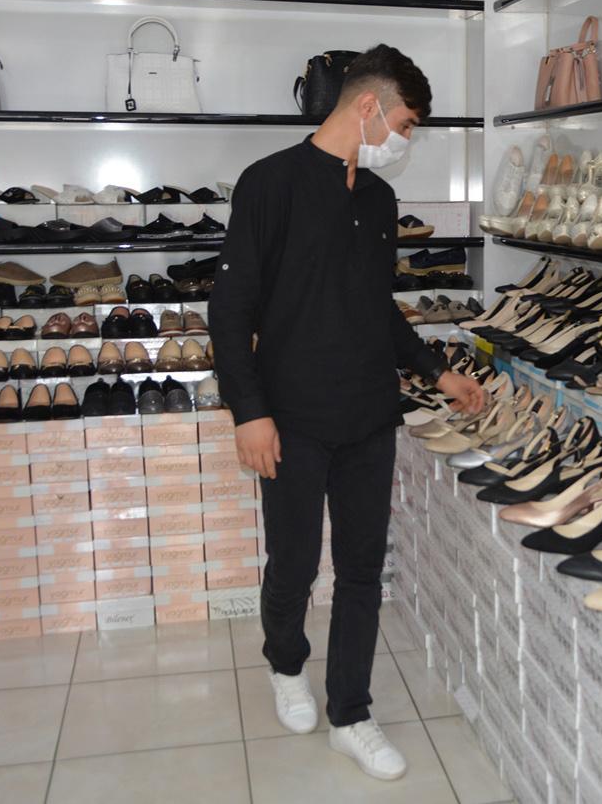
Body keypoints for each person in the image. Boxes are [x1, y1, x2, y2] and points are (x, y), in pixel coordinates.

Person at [208, 44, 486, 781]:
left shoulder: (379, 200)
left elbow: (377, 308)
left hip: (369, 413)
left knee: (363, 570)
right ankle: (285, 664)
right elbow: (229, 309)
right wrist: (248, 412)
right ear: (368, 106)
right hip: (291, 416)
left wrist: (437, 371)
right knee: (295, 564)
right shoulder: (269, 183)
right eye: (405, 124)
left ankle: (351, 714)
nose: (405, 139)